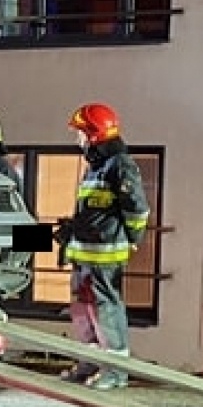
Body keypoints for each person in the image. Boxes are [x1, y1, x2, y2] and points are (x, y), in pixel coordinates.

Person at [57, 101, 150, 390]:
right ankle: (91, 360)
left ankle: (116, 370)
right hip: (85, 254)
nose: (78, 140)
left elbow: (137, 210)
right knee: (83, 311)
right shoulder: (96, 166)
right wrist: (72, 229)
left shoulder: (119, 165)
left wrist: (132, 239)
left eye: (81, 133)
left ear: (94, 134)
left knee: (105, 310)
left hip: (105, 256)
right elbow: (93, 211)